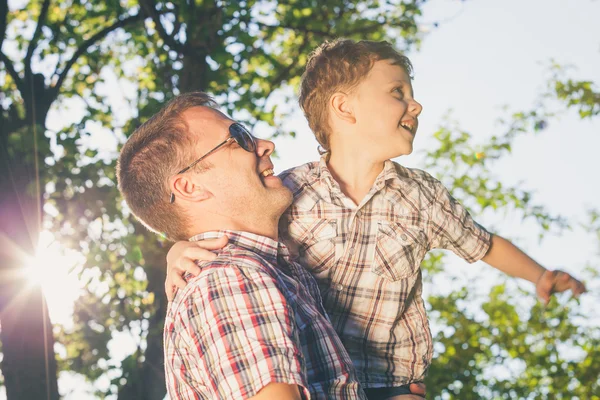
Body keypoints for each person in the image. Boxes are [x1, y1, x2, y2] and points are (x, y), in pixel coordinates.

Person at [165, 40, 586, 400]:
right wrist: (180, 248)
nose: (415, 104)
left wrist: (540, 275)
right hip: (315, 377)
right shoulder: (286, 192)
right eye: (397, 92)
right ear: (344, 107)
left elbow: (485, 244)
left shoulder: (423, 197)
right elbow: (238, 239)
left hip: (390, 384)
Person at [117, 92, 372, 399]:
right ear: (190, 187)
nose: (265, 144)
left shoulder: (272, 269)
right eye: (237, 137)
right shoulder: (229, 279)